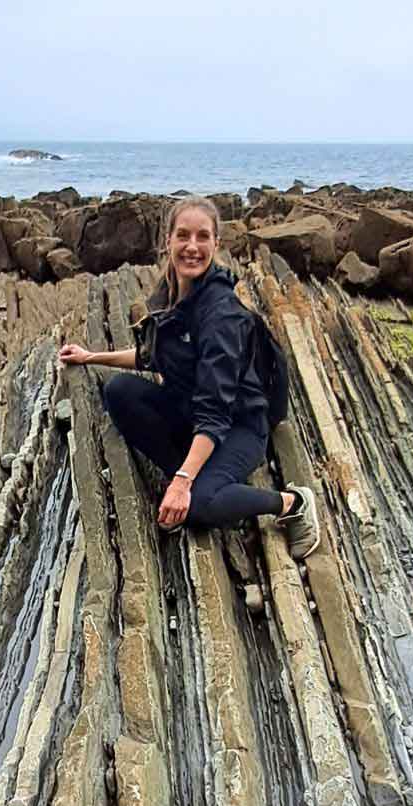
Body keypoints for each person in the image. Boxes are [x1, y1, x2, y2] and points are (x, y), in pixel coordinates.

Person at [58, 195, 320, 557]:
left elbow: (215, 413)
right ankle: (191, 479)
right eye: (183, 235)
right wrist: (91, 357)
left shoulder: (223, 317)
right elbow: (157, 358)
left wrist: (182, 483)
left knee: (201, 508)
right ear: (168, 240)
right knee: (119, 392)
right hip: (191, 410)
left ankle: (291, 503)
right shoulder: (171, 293)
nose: (192, 247)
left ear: (216, 243)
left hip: (238, 427)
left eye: (202, 237)